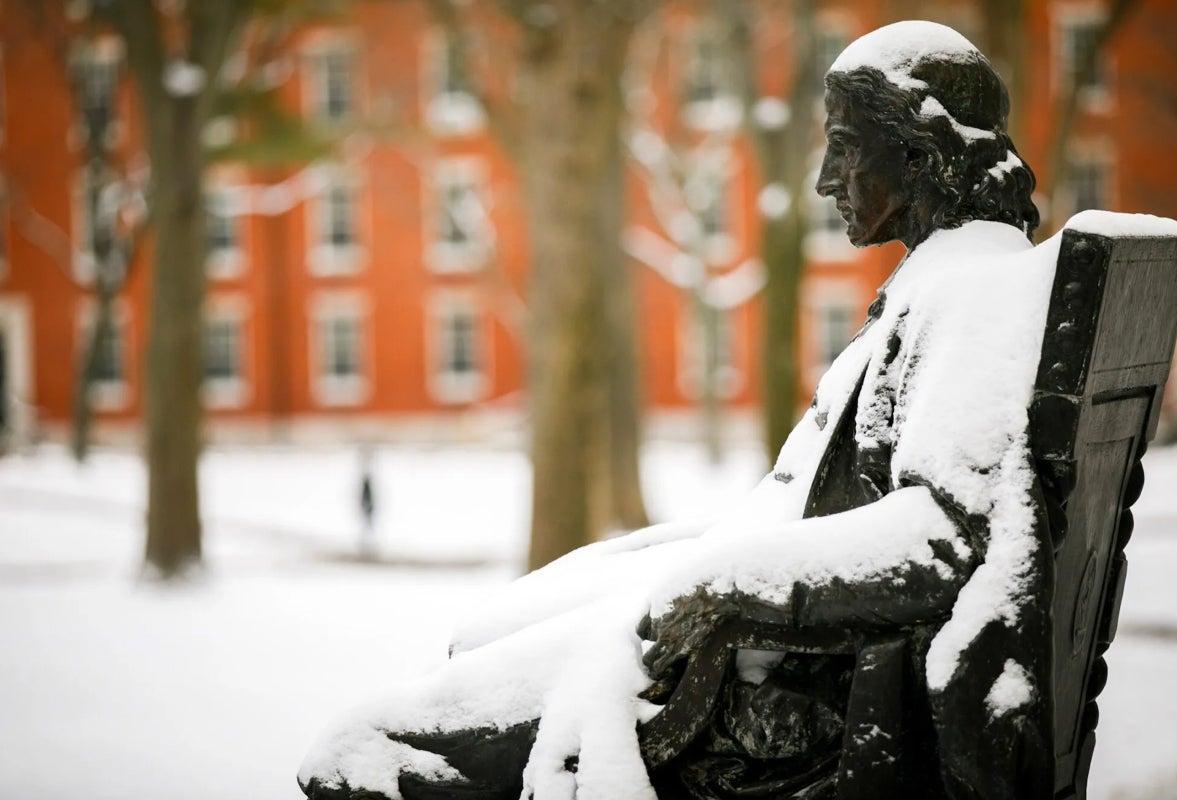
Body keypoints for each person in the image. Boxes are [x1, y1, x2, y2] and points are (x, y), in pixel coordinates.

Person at [301, 21, 1055, 800]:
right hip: (764, 640)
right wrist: (657, 560)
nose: (827, 179)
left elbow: (943, 542)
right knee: (478, 638)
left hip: (783, 691)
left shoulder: (971, 292)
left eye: (844, 145)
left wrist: (721, 581)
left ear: (920, 147)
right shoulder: (943, 281)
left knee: (363, 760)